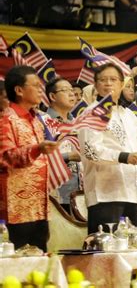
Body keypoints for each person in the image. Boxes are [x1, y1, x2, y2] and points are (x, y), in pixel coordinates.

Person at [78, 63, 137, 234]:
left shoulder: (129, 115)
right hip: (105, 194)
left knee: (134, 248)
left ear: (121, 84)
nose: (108, 83)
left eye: (113, 79)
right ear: (95, 86)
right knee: (106, 251)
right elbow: (91, 150)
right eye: (103, 80)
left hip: (132, 193)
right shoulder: (91, 113)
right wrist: (124, 157)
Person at [0, 65, 59, 251]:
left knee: (40, 257)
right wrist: (37, 149)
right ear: (19, 90)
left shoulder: (35, 120)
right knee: (17, 260)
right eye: (35, 85)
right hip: (16, 207)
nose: (41, 89)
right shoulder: (6, 120)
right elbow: (6, 157)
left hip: (39, 205)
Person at [45, 78, 82, 213]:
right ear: (52, 96)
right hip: (56, 191)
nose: (72, 94)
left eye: (72, 90)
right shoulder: (44, 122)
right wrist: (68, 156)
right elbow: (39, 156)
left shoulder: (77, 122)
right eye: (65, 90)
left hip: (81, 193)